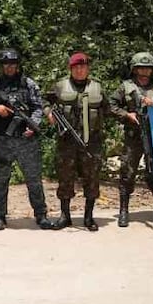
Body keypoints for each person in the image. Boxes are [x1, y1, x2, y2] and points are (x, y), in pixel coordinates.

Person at [0, 49, 53, 230]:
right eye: (6, 64)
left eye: (13, 64)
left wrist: (33, 125)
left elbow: (38, 106)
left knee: (34, 179)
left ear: (18, 65)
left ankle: (41, 215)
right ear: (2, 66)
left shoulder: (28, 83)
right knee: (0, 180)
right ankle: (0, 216)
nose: (10, 67)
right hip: (1, 140)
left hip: (26, 140)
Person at [46, 52, 106, 232]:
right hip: (67, 142)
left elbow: (109, 109)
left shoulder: (98, 87)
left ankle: (88, 217)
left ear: (88, 68)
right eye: (76, 67)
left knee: (92, 179)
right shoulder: (60, 86)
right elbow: (43, 101)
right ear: (71, 69)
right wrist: (49, 112)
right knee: (65, 178)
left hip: (92, 142)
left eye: (83, 67)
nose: (80, 70)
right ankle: (65, 216)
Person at [109, 52, 153, 227]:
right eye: (141, 68)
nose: (144, 71)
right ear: (134, 69)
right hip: (133, 135)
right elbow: (111, 105)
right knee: (127, 172)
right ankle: (123, 210)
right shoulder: (126, 87)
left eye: (148, 68)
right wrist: (127, 114)